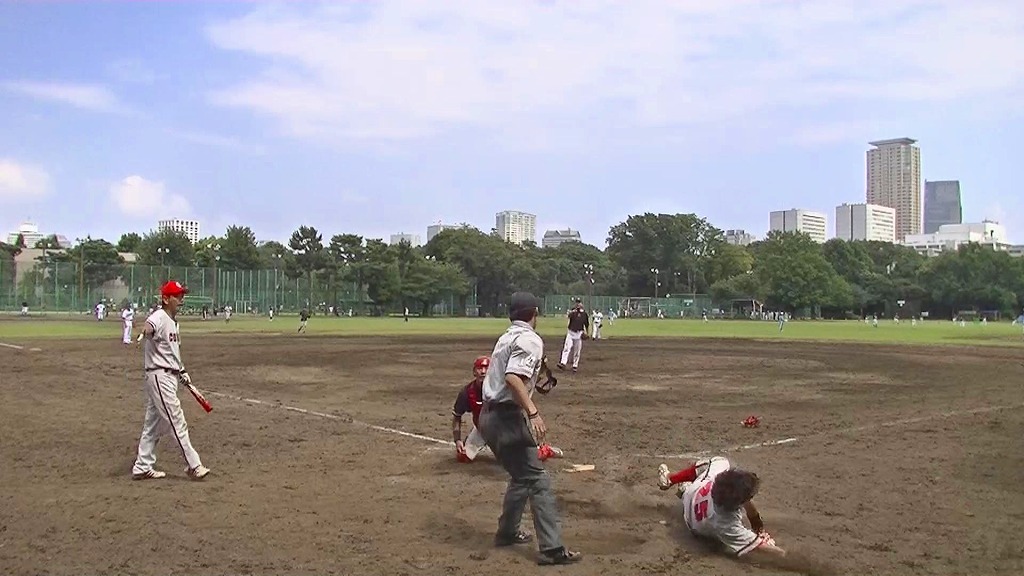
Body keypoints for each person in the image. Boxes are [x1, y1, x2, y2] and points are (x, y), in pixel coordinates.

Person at [478, 291, 582, 565]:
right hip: (506, 418)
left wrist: (540, 370)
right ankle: (552, 549)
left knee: (521, 475)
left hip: (488, 417)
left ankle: (507, 532)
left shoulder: (507, 337)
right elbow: (513, 378)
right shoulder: (529, 339)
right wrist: (533, 412)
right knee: (538, 480)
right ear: (535, 313)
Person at [131, 280, 211, 481]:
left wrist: (182, 371)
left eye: (182, 295)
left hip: (170, 375)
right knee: (176, 420)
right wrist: (143, 332)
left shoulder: (174, 322)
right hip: (160, 375)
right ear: (166, 299)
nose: (181, 299)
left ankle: (142, 465)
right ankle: (194, 465)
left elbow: (172, 352)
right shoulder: (159, 316)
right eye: (177, 296)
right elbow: (148, 326)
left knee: (153, 424)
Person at [657, 457, 784, 561]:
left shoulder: (719, 477)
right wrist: (785, 555)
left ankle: (672, 480)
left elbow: (743, 498)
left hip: (694, 493)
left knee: (718, 461)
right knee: (725, 539)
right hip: (692, 523)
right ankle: (684, 489)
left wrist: (756, 522)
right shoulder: (726, 523)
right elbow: (761, 547)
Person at [453, 355, 563, 463]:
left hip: (505, 429)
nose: (483, 372)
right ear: (474, 372)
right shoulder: (467, 393)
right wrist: (457, 440)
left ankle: (543, 449)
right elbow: (457, 416)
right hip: (482, 429)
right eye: (479, 368)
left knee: (524, 459)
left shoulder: (502, 389)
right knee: (463, 456)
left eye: (486, 368)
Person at [558, 299, 588, 373]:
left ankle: (575, 365)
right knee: (566, 348)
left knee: (577, 351)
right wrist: (574, 310)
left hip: (579, 334)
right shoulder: (573, 312)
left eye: (579, 302)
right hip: (571, 333)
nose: (578, 304)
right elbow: (569, 316)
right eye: (577, 303)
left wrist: (587, 332)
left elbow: (586, 324)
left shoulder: (584, 314)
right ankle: (563, 363)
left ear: (582, 304)